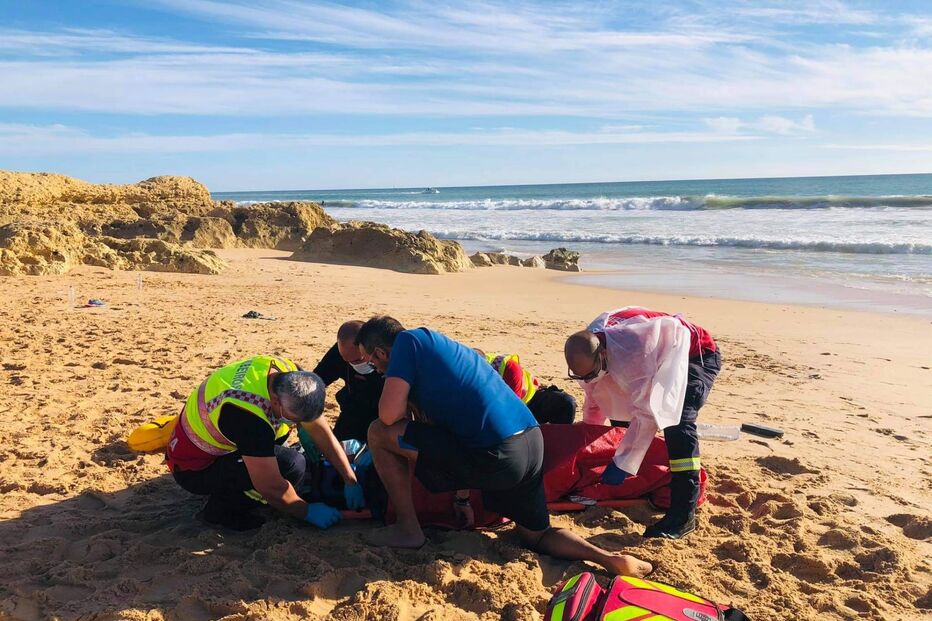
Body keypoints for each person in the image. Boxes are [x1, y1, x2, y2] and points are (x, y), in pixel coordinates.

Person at [358, 316, 651, 577]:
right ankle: (609, 559)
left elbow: (388, 416)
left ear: (381, 352)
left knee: (378, 432)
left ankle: (408, 529)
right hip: (531, 444)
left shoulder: (408, 341)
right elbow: (458, 431)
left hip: (498, 454)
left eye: (372, 363)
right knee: (536, 535)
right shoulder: (441, 352)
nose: (377, 371)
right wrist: (462, 499)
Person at [564, 307, 720, 539]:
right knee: (619, 412)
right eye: (581, 376)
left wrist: (624, 462)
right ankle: (638, 475)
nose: (587, 379)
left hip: (693, 354)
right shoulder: (587, 350)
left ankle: (683, 516)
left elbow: (647, 413)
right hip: (649, 354)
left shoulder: (634, 353)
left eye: (590, 373)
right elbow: (596, 396)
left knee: (677, 423)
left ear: (604, 355)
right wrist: (588, 439)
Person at [166, 355, 366, 531]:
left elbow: (321, 432)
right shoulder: (248, 416)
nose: (298, 424)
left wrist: (350, 479)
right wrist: (306, 511)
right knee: (291, 465)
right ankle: (221, 509)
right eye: (295, 419)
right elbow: (271, 487)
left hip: (218, 444)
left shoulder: (289, 374)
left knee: (287, 456)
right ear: (276, 402)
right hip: (194, 470)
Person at [313, 320, 385, 442]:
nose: (353, 364)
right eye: (348, 361)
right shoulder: (342, 352)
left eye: (358, 360)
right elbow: (316, 381)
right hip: (352, 411)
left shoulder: (387, 357)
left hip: (383, 418)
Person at [477, 349, 576, 424]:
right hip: (495, 411)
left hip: (529, 403)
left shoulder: (509, 368)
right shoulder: (469, 373)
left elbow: (512, 410)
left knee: (566, 403)